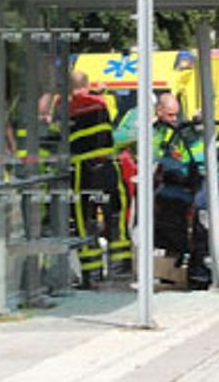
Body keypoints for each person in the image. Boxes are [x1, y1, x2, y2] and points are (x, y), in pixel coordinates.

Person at [68, 71, 131, 287]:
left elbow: (58, 137)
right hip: (108, 168)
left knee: (85, 222)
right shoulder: (102, 103)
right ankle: (120, 271)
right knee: (116, 217)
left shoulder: (67, 107)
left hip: (82, 172)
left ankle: (92, 275)